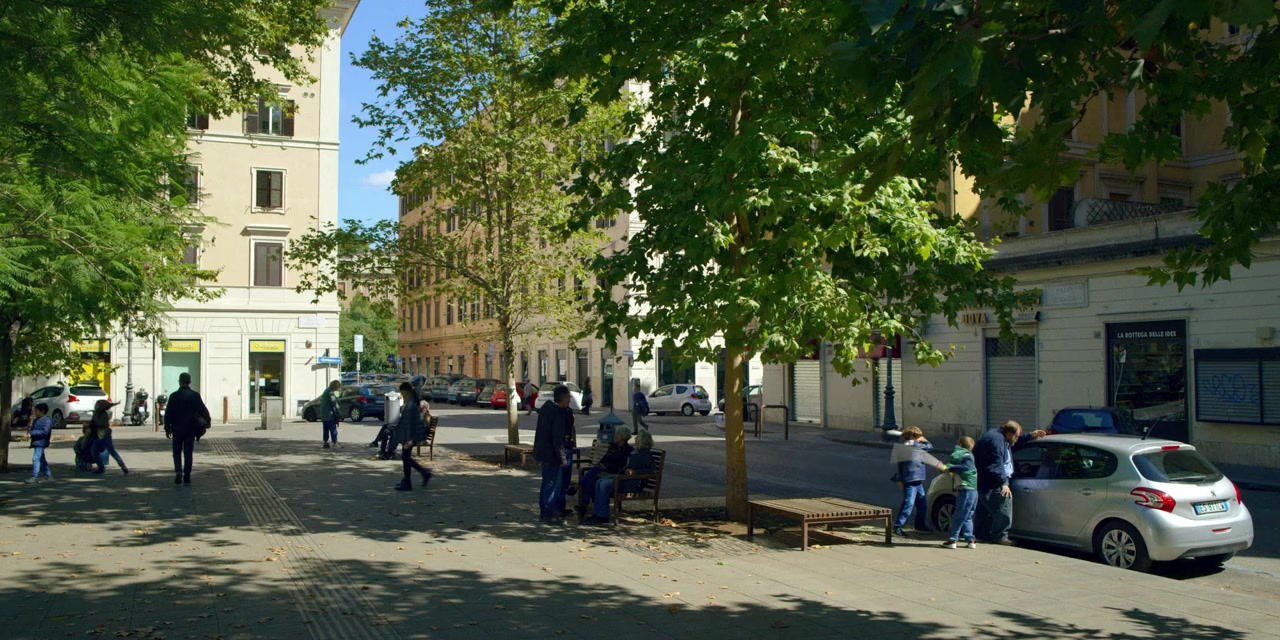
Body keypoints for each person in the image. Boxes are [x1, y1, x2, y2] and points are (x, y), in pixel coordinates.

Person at [973, 420, 1047, 544]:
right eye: (1016, 437)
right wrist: (1004, 483)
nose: (1017, 440)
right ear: (1009, 433)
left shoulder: (998, 436)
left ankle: (981, 534)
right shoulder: (996, 442)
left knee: (984, 509)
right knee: (1003, 504)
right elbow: (996, 464)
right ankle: (1001, 537)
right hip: (993, 480)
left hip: (985, 479)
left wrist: (1030, 436)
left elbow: (1016, 442)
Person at [584, 429, 657, 525]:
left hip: (633, 483)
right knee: (599, 482)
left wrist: (635, 472)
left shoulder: (645, 454)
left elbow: (651, 470)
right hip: (624, 479)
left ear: (641, 440)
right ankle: (597, 513)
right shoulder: (636, 451)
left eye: (637, 438)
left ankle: (602, 516)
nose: (635, 439)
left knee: (604, 484)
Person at [892, 426, 941, 537]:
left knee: (922, 504)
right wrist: (924, 440)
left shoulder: (908, 446)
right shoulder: (912, 446)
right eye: (919, 436)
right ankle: (898, 526)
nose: (921, 438)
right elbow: (930, 446)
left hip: (916, 479)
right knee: (908, 504)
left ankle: (919, 525)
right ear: (914, 436)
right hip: (911, 480)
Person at [164, 372, 211, 486]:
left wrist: (167, 427)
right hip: (190, 429)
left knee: (176, 452)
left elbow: (168, 413)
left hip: (177, 428)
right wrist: (207, 422)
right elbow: (203, 410)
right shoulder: (195, 396)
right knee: (188, 453)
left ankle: (178, 471)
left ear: (180, 381)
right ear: (189, 382)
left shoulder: (174, 396)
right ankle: (187, 476)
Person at [533, 385, 572, 521]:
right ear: (563, 398)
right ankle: (547, 512)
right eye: (568, 397)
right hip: (552, 454)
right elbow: (557, 439)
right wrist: (562, 458)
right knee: (551, 484)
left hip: (545, 452)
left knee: (551, 483)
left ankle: (552, 509)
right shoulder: (557, 413)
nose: (570, 399)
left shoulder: (548, 410)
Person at [576, 426, 633, 517]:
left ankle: (579, 490)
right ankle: (585, 504)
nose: (615, 435)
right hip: (605, 469)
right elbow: (604, 458)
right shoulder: (613, 446)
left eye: (618, 434)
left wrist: (606, 466)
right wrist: (601, 464)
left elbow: (621, 465)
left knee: (593, 474)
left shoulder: (628, 450)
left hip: (613, 472)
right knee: (593, 477)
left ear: (623, 436)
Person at [392, 382, 432, 491]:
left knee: (406, 458)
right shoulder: (411, 401)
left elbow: (411, 423)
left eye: (402, 392)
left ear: (406, 391)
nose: (401, 394)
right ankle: (419, 475)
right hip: (409, 435)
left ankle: (410, 480)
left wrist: (409, 439)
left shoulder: (411, 404)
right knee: (406, 458)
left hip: (410, 436)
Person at [941, 436, 978, 549]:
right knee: (967, 515)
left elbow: (966, 467)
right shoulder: (969, 455)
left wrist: (950, 467)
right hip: (973, 490)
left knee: (959, 515)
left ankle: (953, 540)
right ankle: (970, 540)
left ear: (960, 445)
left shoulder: (965, 455)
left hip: (966, 490)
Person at [89, 399, 128, 475]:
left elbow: (101, 424)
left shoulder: (102, 414)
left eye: (97, 405)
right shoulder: (97, 413)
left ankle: (122, 467)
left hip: (103, 435)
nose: (95, 406)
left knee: (110, 452)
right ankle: (102, 467)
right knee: (95, 452)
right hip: (100, 435)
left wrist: (92, 425)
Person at [25, 403, 54, 483]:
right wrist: (29, 433)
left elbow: (45, 432)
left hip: (41, 442)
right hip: (36, 442)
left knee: (36, 458)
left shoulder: (47, 421)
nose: (35, 413)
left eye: (36, 411)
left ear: (42, 411)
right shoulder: (36, 420)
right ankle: (48, 475)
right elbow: (32, 429)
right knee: (42, 459)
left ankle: (34, 476)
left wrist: (32, 433)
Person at [319, 380, 342, 449]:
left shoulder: (326, 390)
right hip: (329, 414)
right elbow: (334, 403)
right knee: (333, 429)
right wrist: (339, 414)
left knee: (326, 429)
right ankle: (335, 442)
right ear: (336, 386)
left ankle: (325, 442)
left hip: (324, 414)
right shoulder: (331, 392)